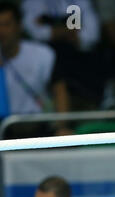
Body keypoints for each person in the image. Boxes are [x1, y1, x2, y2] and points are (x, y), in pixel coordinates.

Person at [0, 2, 71, 138]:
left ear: (19, 26)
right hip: (5, 129)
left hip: (39, 126)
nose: (1, 31)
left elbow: (60, 90)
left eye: (6, 24)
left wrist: (62, 127)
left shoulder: (43, 55)